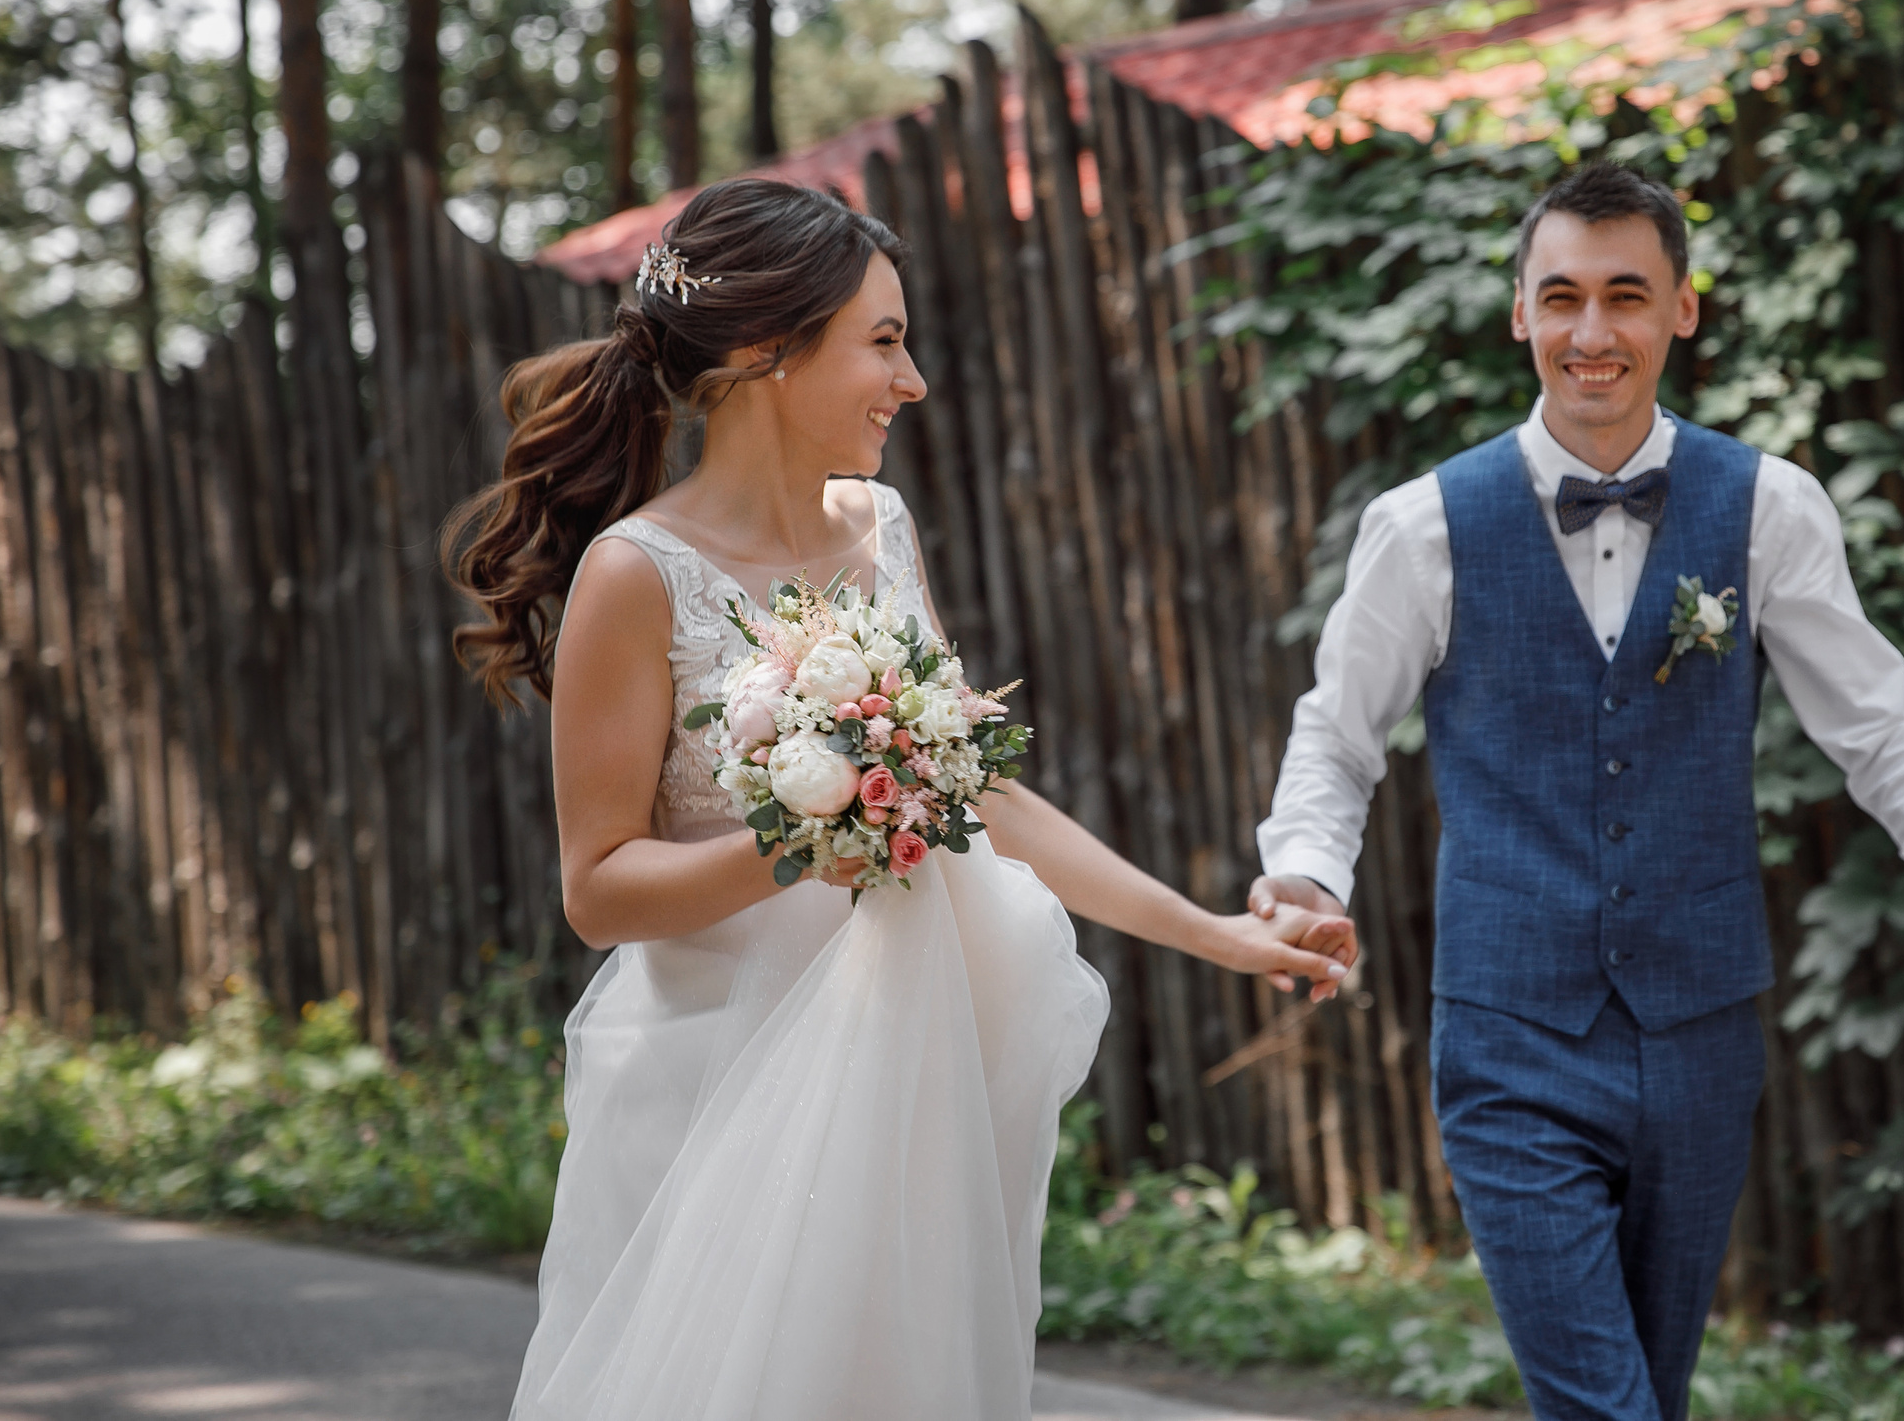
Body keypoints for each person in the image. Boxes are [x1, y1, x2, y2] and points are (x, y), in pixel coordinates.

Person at [444, 177, 1358, 1421]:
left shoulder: (881, 527)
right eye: (882, 341)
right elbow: (598, 890)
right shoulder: (636, 574)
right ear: (768, 352)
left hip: (913, 1090)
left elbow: (980, 796)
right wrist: (805, 837)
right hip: (721, 1094)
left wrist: (1220, 935)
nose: (911, 380)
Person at [1249, 162, 1904, 1421]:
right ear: (1518, 312)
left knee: (1650, 1391)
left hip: (1700, 1032)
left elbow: (1879, 728)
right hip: (1510, 1036)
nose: (1591, 332)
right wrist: (1306, 871)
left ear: (1682, 309)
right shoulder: (1422, 527)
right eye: (1561, 297)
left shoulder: (1768, 507)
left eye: (1625, 296)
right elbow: (1337, 737)